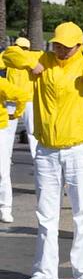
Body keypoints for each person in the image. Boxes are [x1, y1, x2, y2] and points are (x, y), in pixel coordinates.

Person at [2, 22, 83, 279]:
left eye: (67, 46)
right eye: (57, 44)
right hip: (46, 149)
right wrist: (30, 63)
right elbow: (9, 54)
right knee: (46, 214)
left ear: (79, 46)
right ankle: (43, 271)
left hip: (79, 148)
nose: (60, 49)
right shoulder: (43, 60)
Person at [0, 54, 32, 223]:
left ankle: (5, 208)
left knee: (2, 170)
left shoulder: (1, 83)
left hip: (0, 129)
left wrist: (16, 114)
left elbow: (21, 95)